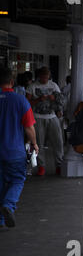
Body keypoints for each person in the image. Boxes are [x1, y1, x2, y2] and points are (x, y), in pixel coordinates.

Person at [0, 66, 38, 228]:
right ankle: (8, 205)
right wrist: (35, 144)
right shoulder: (20, 100)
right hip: (14, 151)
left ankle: (0, 221)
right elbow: (29, 127)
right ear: (11, 81)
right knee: (17, 180)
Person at [26, 67, 64, 176]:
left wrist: (57, 107)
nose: (45, 79)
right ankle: (41, 166)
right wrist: (38, 100)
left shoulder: (54, 85)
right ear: (39, 76)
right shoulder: (32, 86)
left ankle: (59, 165)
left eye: (47, 77)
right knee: (39, 143)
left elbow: (60, 100)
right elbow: (27, 102)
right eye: (43, 77)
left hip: (52, 116)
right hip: (37, 117)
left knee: (58, 141)